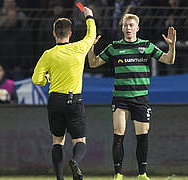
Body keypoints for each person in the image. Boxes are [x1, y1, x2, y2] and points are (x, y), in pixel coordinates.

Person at [88, 14, 176, 180]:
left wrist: (172, 47)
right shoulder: (114, 47)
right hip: (121, 99)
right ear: (122, 29)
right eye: (125, 25)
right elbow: (93, 63)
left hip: (140, 98)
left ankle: (142, 174)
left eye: (131, 25)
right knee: (118, 133)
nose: (128, 28)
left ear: (137, 28)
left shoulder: (146, 46)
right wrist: (91, 47)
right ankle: (118, 174)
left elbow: (169, 60)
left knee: (142, 136)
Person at [32, 7, 96, 180]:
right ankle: (75, 161)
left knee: (57, 141)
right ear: (70, 33)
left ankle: (60, 178)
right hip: (74, 99)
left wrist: (46, 79)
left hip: (55, 100)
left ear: (54, 34)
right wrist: (89, 16)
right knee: (80, 140)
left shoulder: (48, 54)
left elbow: (36, 80)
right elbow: (91, 35)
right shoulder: (79, 48)